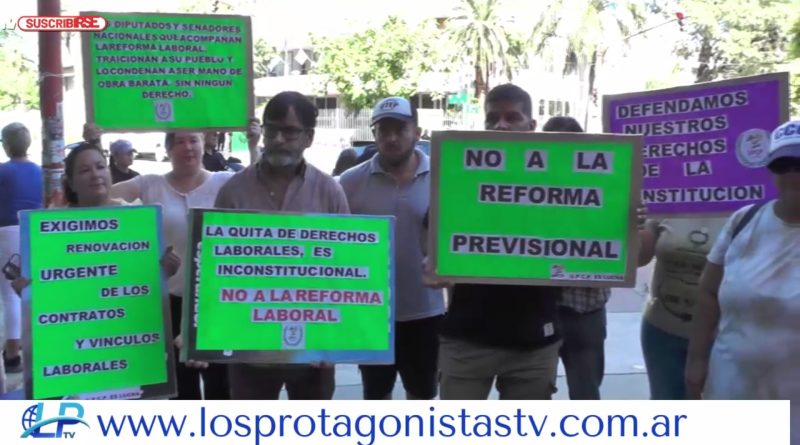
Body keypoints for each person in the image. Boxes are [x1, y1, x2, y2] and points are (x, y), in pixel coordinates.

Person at [431, 84, 563, 400]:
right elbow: (432, 232)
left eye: (512, 117)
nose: (501, 125)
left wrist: (625, 220)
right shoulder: (460, 177)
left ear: (531, 126)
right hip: (467, 340)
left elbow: (597, 236)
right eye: (492, 118)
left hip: (534, 343)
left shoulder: (561, 181)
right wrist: (433, 261)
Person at [215, 91, 349, 400]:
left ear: (309, 137)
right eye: (271, 129)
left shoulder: (330, 192)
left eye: (289, 132)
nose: (277, 139)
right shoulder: (233, 191)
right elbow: (215, 269)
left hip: (313, 350)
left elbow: (345, 270)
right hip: (249, 348)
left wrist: (336, 340)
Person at [687, 120, 800, 440]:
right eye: (783, 165)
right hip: (733, 392)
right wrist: (696, 360)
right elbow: (708, 293)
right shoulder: (743, 220)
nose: (793, 174)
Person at [111, 131, 234, 400]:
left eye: (193, 140)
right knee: (182, 390)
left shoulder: (225, 181)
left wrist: (253, 144)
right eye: (179, 141)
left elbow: (260, 192)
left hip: (217, 304)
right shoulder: (150, 185)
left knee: (222, 386)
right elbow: (100, 196)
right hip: (171, 303)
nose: (188, 147)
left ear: (203, 144)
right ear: (167, 149)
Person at [339, 97, 445, 400]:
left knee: (422, 395)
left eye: (400, 129)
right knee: (375, 395)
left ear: (417, 132)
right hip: (372, 314)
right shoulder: (349, 182)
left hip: (426, 312)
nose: (391, 137)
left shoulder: (443, 178)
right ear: (374, 134)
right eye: (383, 130)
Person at [542, 116, 608, 400]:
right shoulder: (528, 186)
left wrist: (633, 220)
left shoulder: (606, 186)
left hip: (586, 311)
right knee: (534, 391)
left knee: (586, 393)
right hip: (541, 311)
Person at [0, 123, 42, 375]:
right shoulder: (39, 171)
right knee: (29, 290)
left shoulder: (3, 171)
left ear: (6, 145)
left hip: (5, 231)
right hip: (33, 232)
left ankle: (13, 353)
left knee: (9, 295)